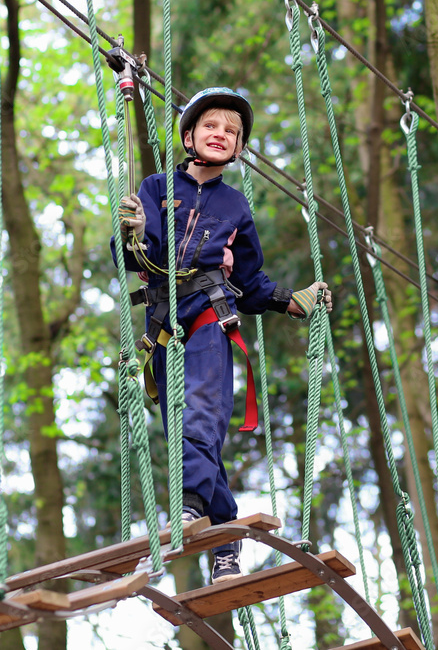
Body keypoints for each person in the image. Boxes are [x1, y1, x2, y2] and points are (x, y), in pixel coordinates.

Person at [111, 87, 332, 583]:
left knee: (203, 416)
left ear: (237, 148)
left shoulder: (235, 206)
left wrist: (289, 299)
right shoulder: (155, 186)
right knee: (187, 435)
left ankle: (189, 504)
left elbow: (249, 282)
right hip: (166, 324)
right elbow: (131, 258)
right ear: (189, 135)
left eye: (231, 131)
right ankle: (227, 541)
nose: (221, 134)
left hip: (212, 313)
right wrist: (134, 231)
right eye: (212, 126)